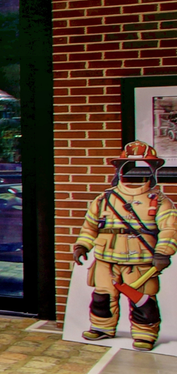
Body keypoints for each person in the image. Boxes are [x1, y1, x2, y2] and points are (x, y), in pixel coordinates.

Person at [74, 141, 177, 351]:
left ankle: (145, 335)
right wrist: (82, 246)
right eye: (129, 167)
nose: (134, 174)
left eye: (141, 168)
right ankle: (102, 328)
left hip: (139, 262)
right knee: (102, 297)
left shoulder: (160, 202)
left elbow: (170, 229)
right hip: (105, 259)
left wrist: (163, 252)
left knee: (142, 300)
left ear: (152, 171)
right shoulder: (104, 199)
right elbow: (90, 226)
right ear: (120, 170)